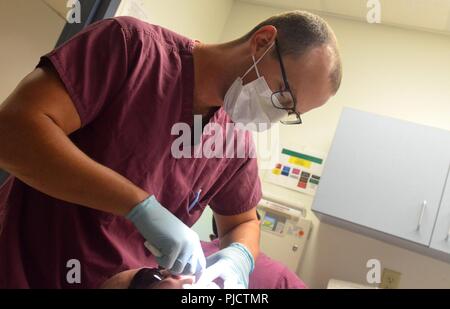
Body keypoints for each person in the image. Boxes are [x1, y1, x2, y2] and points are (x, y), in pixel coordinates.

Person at [0, 11, 342, 288]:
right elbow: (13, 133)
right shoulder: (132, 50)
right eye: (283, 95)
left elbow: (242, 221)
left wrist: (238, 257)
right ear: (263, 42)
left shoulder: (234, 141)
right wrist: (139, 206)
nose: (276, 113)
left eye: (289, 113)